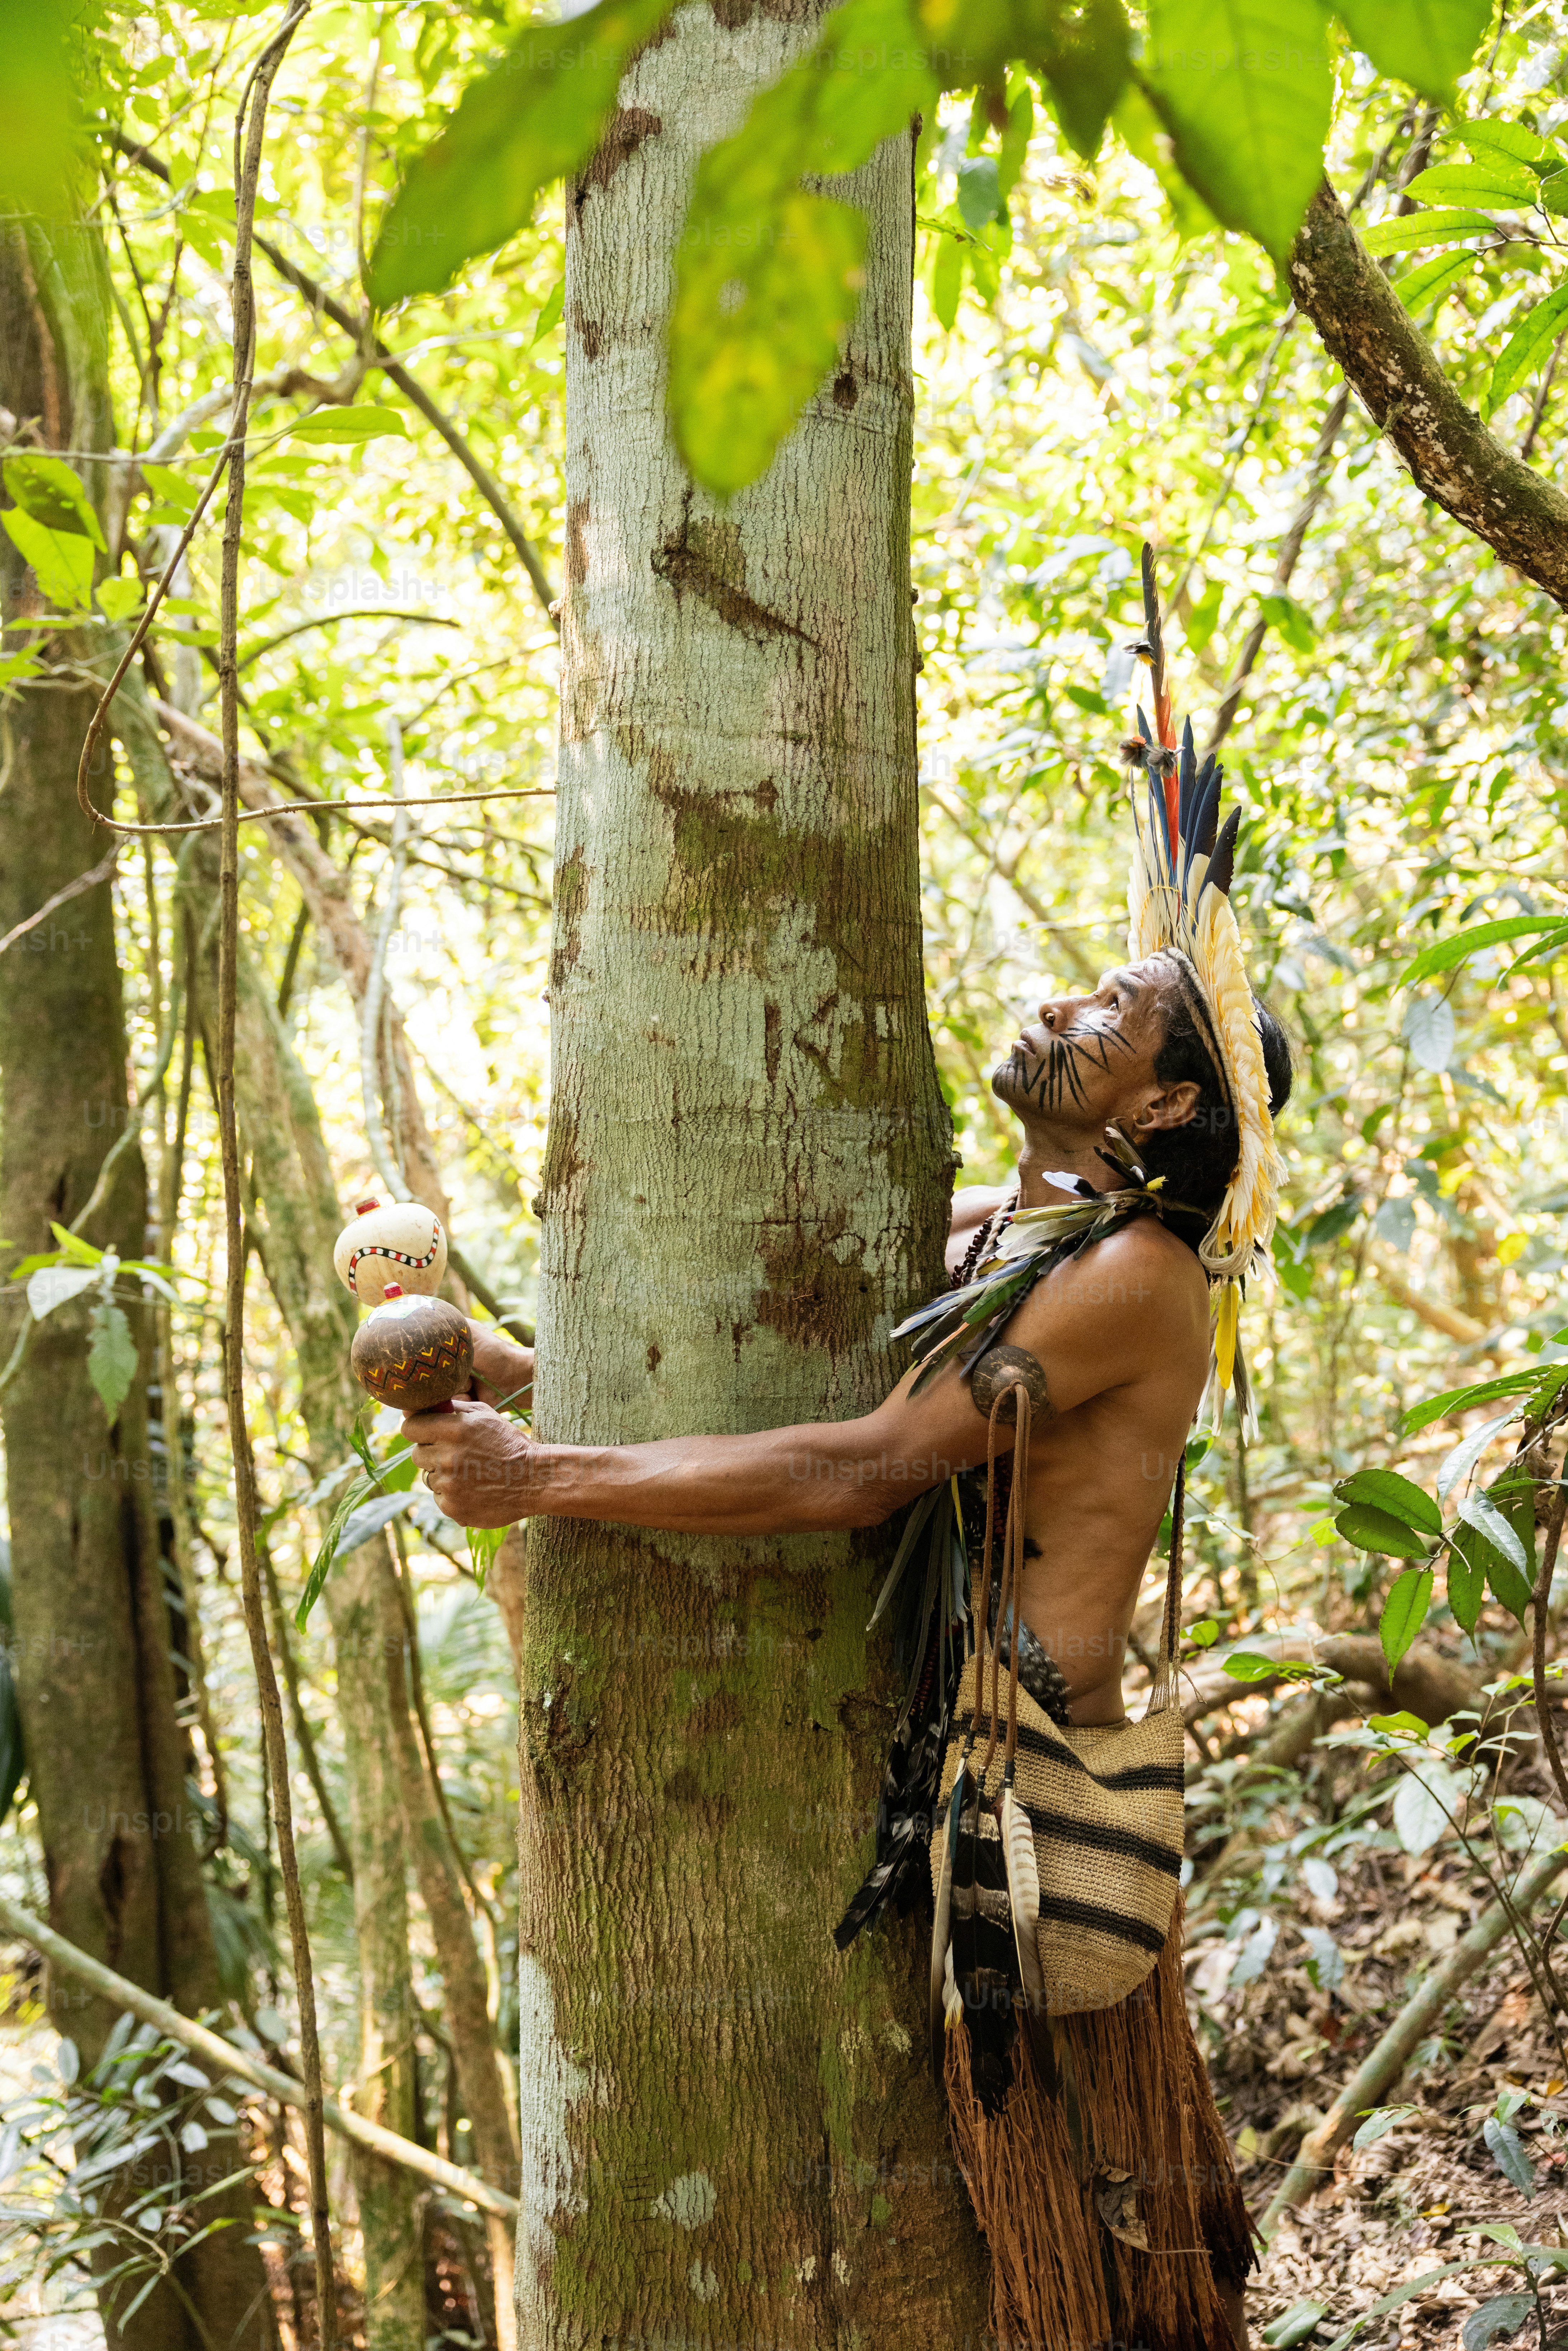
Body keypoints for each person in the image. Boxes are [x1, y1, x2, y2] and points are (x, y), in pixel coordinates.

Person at [407, 551, 1288, 2350]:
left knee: (1104, 2249)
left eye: (1105, 1020)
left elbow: (856, 1468)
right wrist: (505, 1367)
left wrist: (543, 1480)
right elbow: (773, 1388)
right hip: (948, 1750)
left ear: (1168, 1110)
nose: (1055, 1012)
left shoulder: (1131, 1277)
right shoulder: (1008, 1233)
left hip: (1035, 1793)